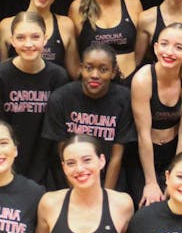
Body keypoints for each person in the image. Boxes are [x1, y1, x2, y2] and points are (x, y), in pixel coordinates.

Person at [0, 11, 70, 185]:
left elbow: (55, 133)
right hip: (6, 164)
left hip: (45, 167)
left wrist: (38, 174)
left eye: (35, 37)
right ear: (12, 40)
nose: (29, 44)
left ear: (45, 38)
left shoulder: (58, 77)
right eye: (21, 38)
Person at [41, 44, 136, 193]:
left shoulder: (124, 99)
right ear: (80, 68)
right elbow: (62, 153)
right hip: (69, 177)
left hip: (108, 178)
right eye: (89, 68)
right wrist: (77, 194)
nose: (95, 75)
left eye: (103, 69)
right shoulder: (61, 98)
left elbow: (117, 155)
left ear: (113, 72)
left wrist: (105, 198)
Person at [131, 23, 182, 207]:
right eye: (164, 44)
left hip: (174, 153)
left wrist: (177, 178)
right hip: (143, 156)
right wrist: (151, 182)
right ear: (155, 48)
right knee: (148, 205)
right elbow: (143, 134)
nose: (169, 52)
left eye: (178, 47)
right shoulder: (143, 79)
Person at [69, 0, 143, 83]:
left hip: (129, 84)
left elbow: (140, 51)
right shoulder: (78, 7)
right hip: (94, 86)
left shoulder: (133, 3)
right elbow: (72, 56)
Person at [0, 0, 79, 80]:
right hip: (17, 95)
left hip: (54, 95)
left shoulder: (65, 25)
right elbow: (1, 74)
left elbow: (75, 73)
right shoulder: (6, 26)